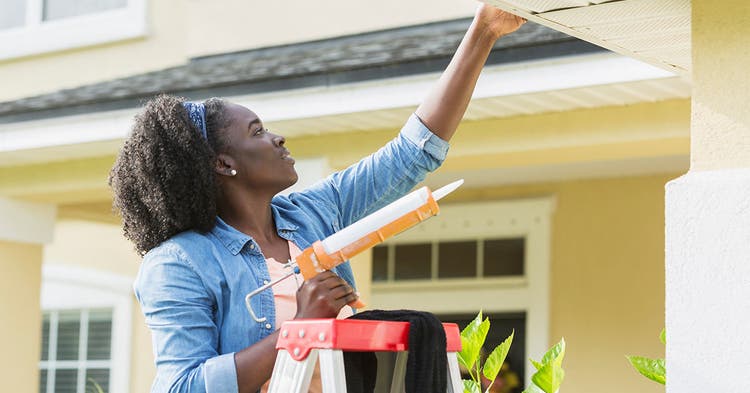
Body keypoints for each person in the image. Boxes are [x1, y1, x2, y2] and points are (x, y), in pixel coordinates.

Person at [109, 4, 525, 393]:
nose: (277, 137)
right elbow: (181, 385)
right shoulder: (178, 262)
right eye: (257, 132)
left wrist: (484, 29)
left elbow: (413, 152)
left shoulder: (312, 215)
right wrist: (301, 329)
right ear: (223, 163)